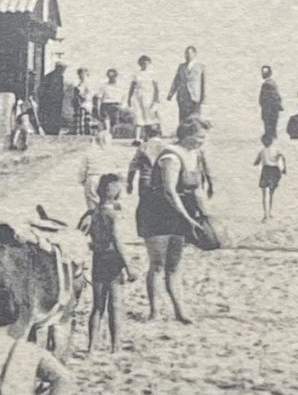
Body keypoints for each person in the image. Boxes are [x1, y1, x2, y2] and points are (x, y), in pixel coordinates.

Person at [134, 117, 213, 324]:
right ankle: (154, 311)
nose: (201, 141)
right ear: (187, 135)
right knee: (158, 264)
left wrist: (204, 217)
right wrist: (187, 218)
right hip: (157, 211)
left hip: (179, 212)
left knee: (175, 265)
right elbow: (169, 191)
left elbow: (195, 190)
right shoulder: (171, 156)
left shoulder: (194, 154)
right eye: (199, 137)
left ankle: (180, 311)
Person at [81, 173, 133, 353]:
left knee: (97, 306)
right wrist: (129, 267)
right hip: (113, 259)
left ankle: (91, 346)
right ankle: (115, 346)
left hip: (98, 258)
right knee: (115, 305)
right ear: (112, 189)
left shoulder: (92, 212)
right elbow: (117, 240)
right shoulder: (113, 214)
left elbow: (81, 234)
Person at [166, 46, 207, 128]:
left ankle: (194, 136)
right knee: (183, 117)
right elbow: (176, 80)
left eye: (190, 53)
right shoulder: (181, 67)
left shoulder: (200, 67)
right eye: (186, 54)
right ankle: (183, 136)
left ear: (195, 54)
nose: (188, 56)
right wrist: (171, 93)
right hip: (183, 96)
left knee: (195, 118)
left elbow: (203, 83)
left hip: (195, 96)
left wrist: (203, 97)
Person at [254, 130, 287, 221]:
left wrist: (257, 162)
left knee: (264, 194)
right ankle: (270, 213)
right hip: (275, 170)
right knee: (271, 193)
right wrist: (284, 168)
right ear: (272, 141)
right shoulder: (276, 150)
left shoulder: (262, 151)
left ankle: (265, 214)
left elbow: (256, 162)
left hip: (266, 170)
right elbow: (283, 157)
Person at [127, 55, 162, 140]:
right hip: (138, 96)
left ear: (149, 63)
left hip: (148, 96)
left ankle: (148, 137)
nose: (145, 65)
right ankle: (137, 138)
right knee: (138, 116)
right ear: (140, 64)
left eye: (147, 63)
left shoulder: (152, 74)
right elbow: (132, 86)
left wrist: (156, 99)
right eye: (143, 63)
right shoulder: (137, 74)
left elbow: (156, 88)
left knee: (149, 116)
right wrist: (129, 97)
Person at [97, 68, 125, 145]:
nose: (111, 77)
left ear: (115, 76)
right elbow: (99, 96)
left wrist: (121, 104)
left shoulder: (119, 86)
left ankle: (110, 138)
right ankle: (105, 139)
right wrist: (98, 107)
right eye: (109, 75)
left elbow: (123, 95)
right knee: (106, 123)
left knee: (113, 124)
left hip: (115, 105)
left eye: (113, 75)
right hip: (105, 104)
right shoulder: (104, 86)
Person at [257, 65, 283, 140]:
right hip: (273, 110)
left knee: (270, 131)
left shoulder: (267, 84)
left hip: (269, 111)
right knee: (272, 130)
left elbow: (269, 99)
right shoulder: (272, 83)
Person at [70, 68, 95, 137]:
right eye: (79, 74)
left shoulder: (88, 83)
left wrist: (83, 97)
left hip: (85, 104)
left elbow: (90, 93)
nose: (80, 75)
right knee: (78, 119)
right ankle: (78, 133)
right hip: (79, 104)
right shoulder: (79, 83)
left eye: (82, 74)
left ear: (86, 74)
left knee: (85, 119)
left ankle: (85, 133)